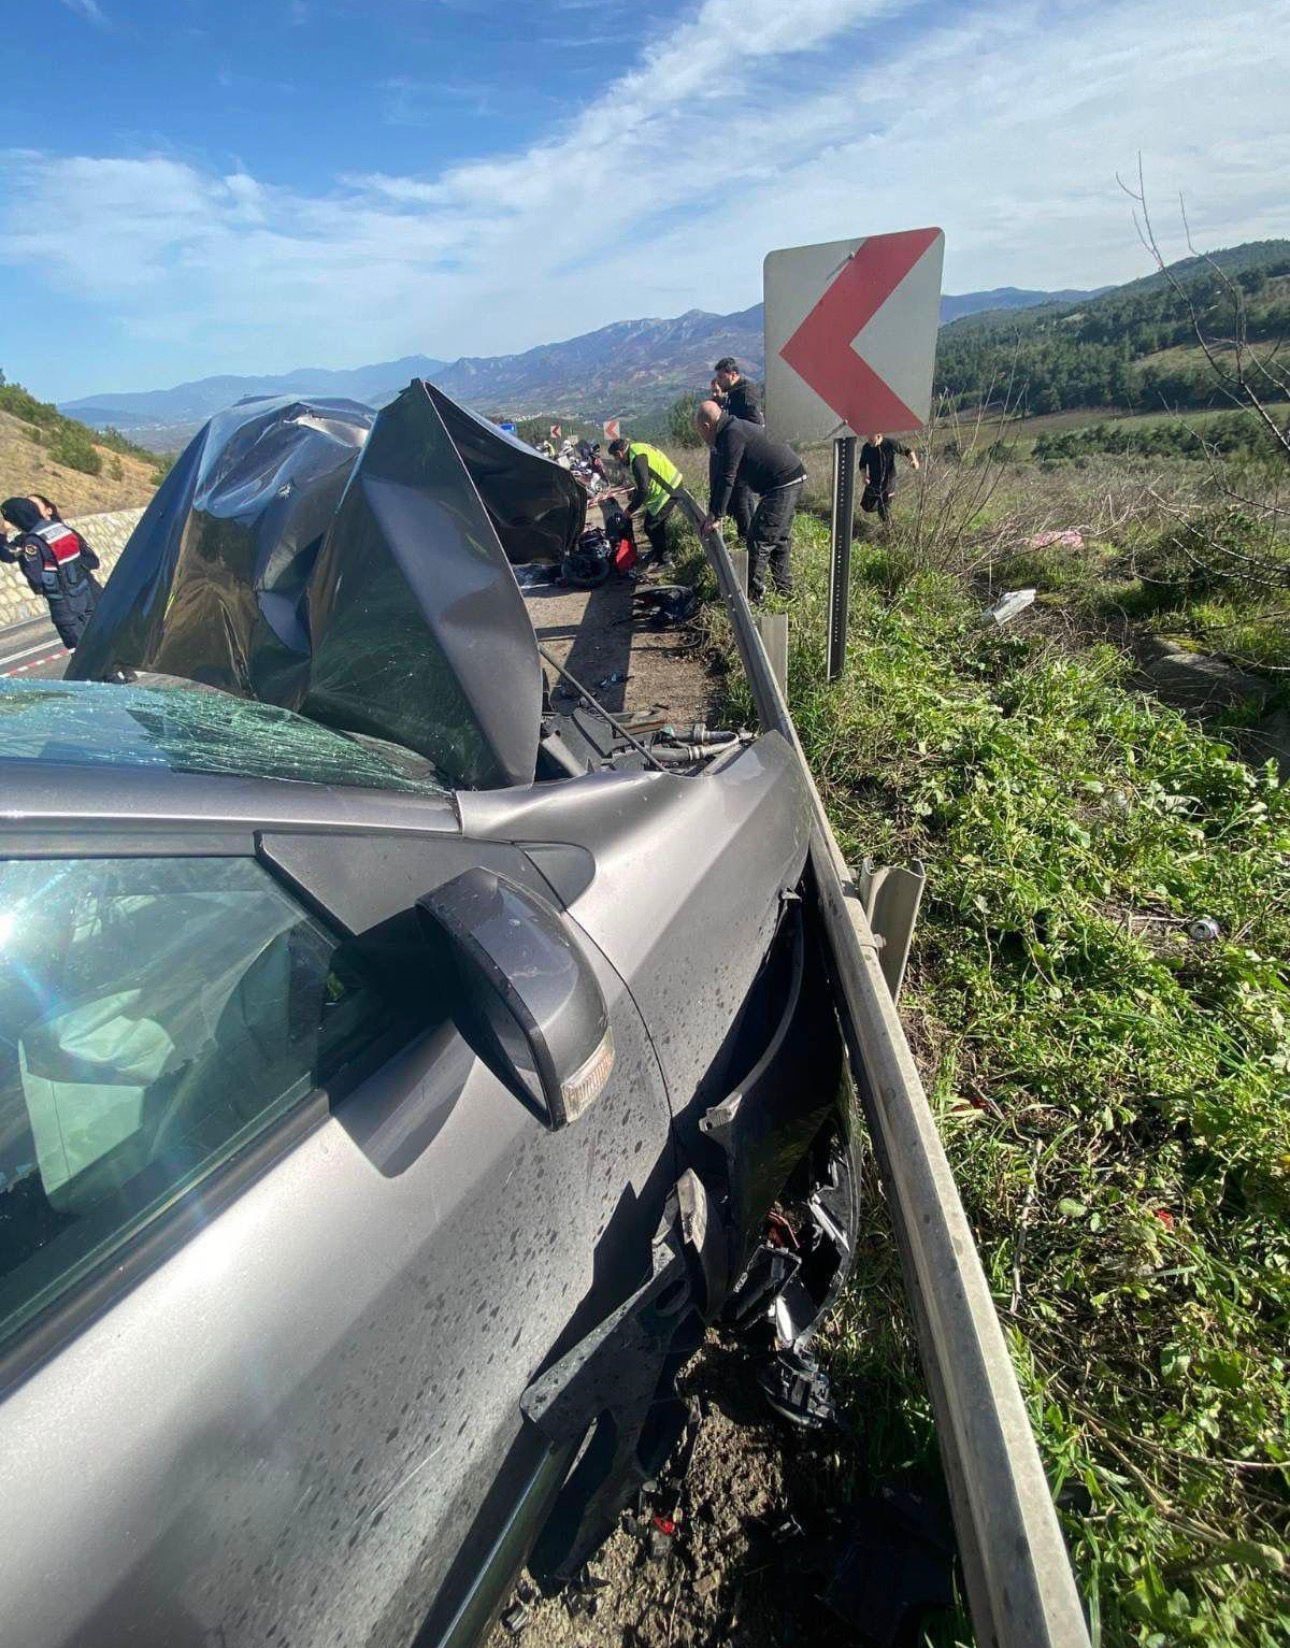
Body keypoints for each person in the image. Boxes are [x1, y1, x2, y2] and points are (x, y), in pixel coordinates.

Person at [695, 400, 805, 600]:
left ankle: (753, 597)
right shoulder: (729, 429)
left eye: (700, 433)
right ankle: (785, 591)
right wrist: (714, 511)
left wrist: (717, 515)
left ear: (706, 426)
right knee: (778, 539)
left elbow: (729, 476)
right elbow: (722, 478)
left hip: (783, 481)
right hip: (786, 478)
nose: (702, 438)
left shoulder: (731, 434)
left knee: (759, 539)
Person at [1, 495, 101, 648]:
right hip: (84, 591)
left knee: (79, 649)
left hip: (63, 600)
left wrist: (2, 534)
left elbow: (35, 575)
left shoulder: (32, 541)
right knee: (97, 641)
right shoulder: (59, 528)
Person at [711, 357, 764, 544]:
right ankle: (746, 536)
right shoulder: (734, 392)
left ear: (733, 375)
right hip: (738, 451)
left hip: (746, 451)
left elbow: (755, 423)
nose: (718, 381)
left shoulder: (747, 392)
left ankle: (749, 539)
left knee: (743, 498)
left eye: (721, 377)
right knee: (738, 498)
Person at [607, 437, 683, 565]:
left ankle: (665, 561)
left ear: (619, 453)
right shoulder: (637, 448)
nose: (617, 460)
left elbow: (643, 490)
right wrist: (634, 493)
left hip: (668, 490)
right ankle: (658, 553)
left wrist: (629, 510)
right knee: (656, 525)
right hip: (666, 489)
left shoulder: (637, 459)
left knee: (651, 527)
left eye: (616, 457)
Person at [858, 432, 919, 523]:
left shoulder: (889, 443)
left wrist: (914, 461)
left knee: (884, 509)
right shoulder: (866, 448)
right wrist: (864, 476)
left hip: (889, 480)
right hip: (874, 480)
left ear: (878, 434)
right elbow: (862, 463)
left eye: (871, 439)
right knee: (866, 505)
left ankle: (889, 528)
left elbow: (907, 450)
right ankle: (881, 503)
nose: (869, 441)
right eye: (868, 438)